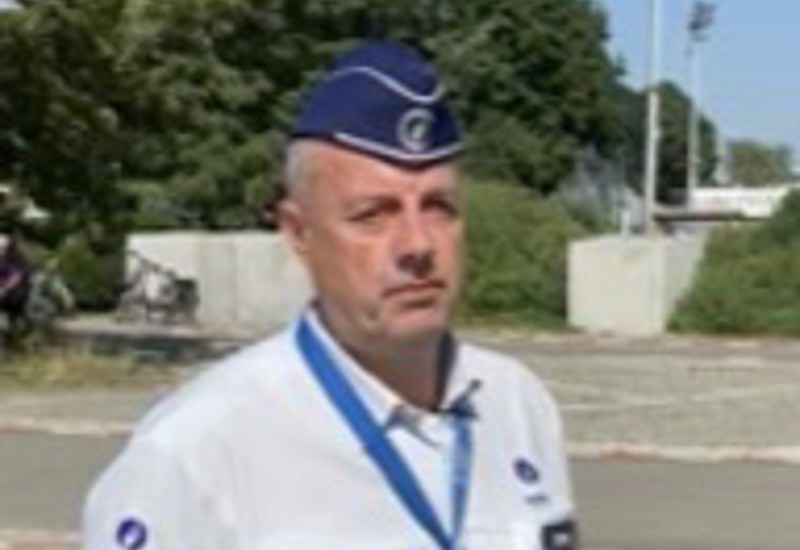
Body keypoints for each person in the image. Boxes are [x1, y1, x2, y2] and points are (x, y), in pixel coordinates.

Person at [82, 40, 578, 550]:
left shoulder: (517, 405)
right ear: (299, 233)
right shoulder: (197, 449)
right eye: (373, 215)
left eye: (438, 207)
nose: (418, 245)